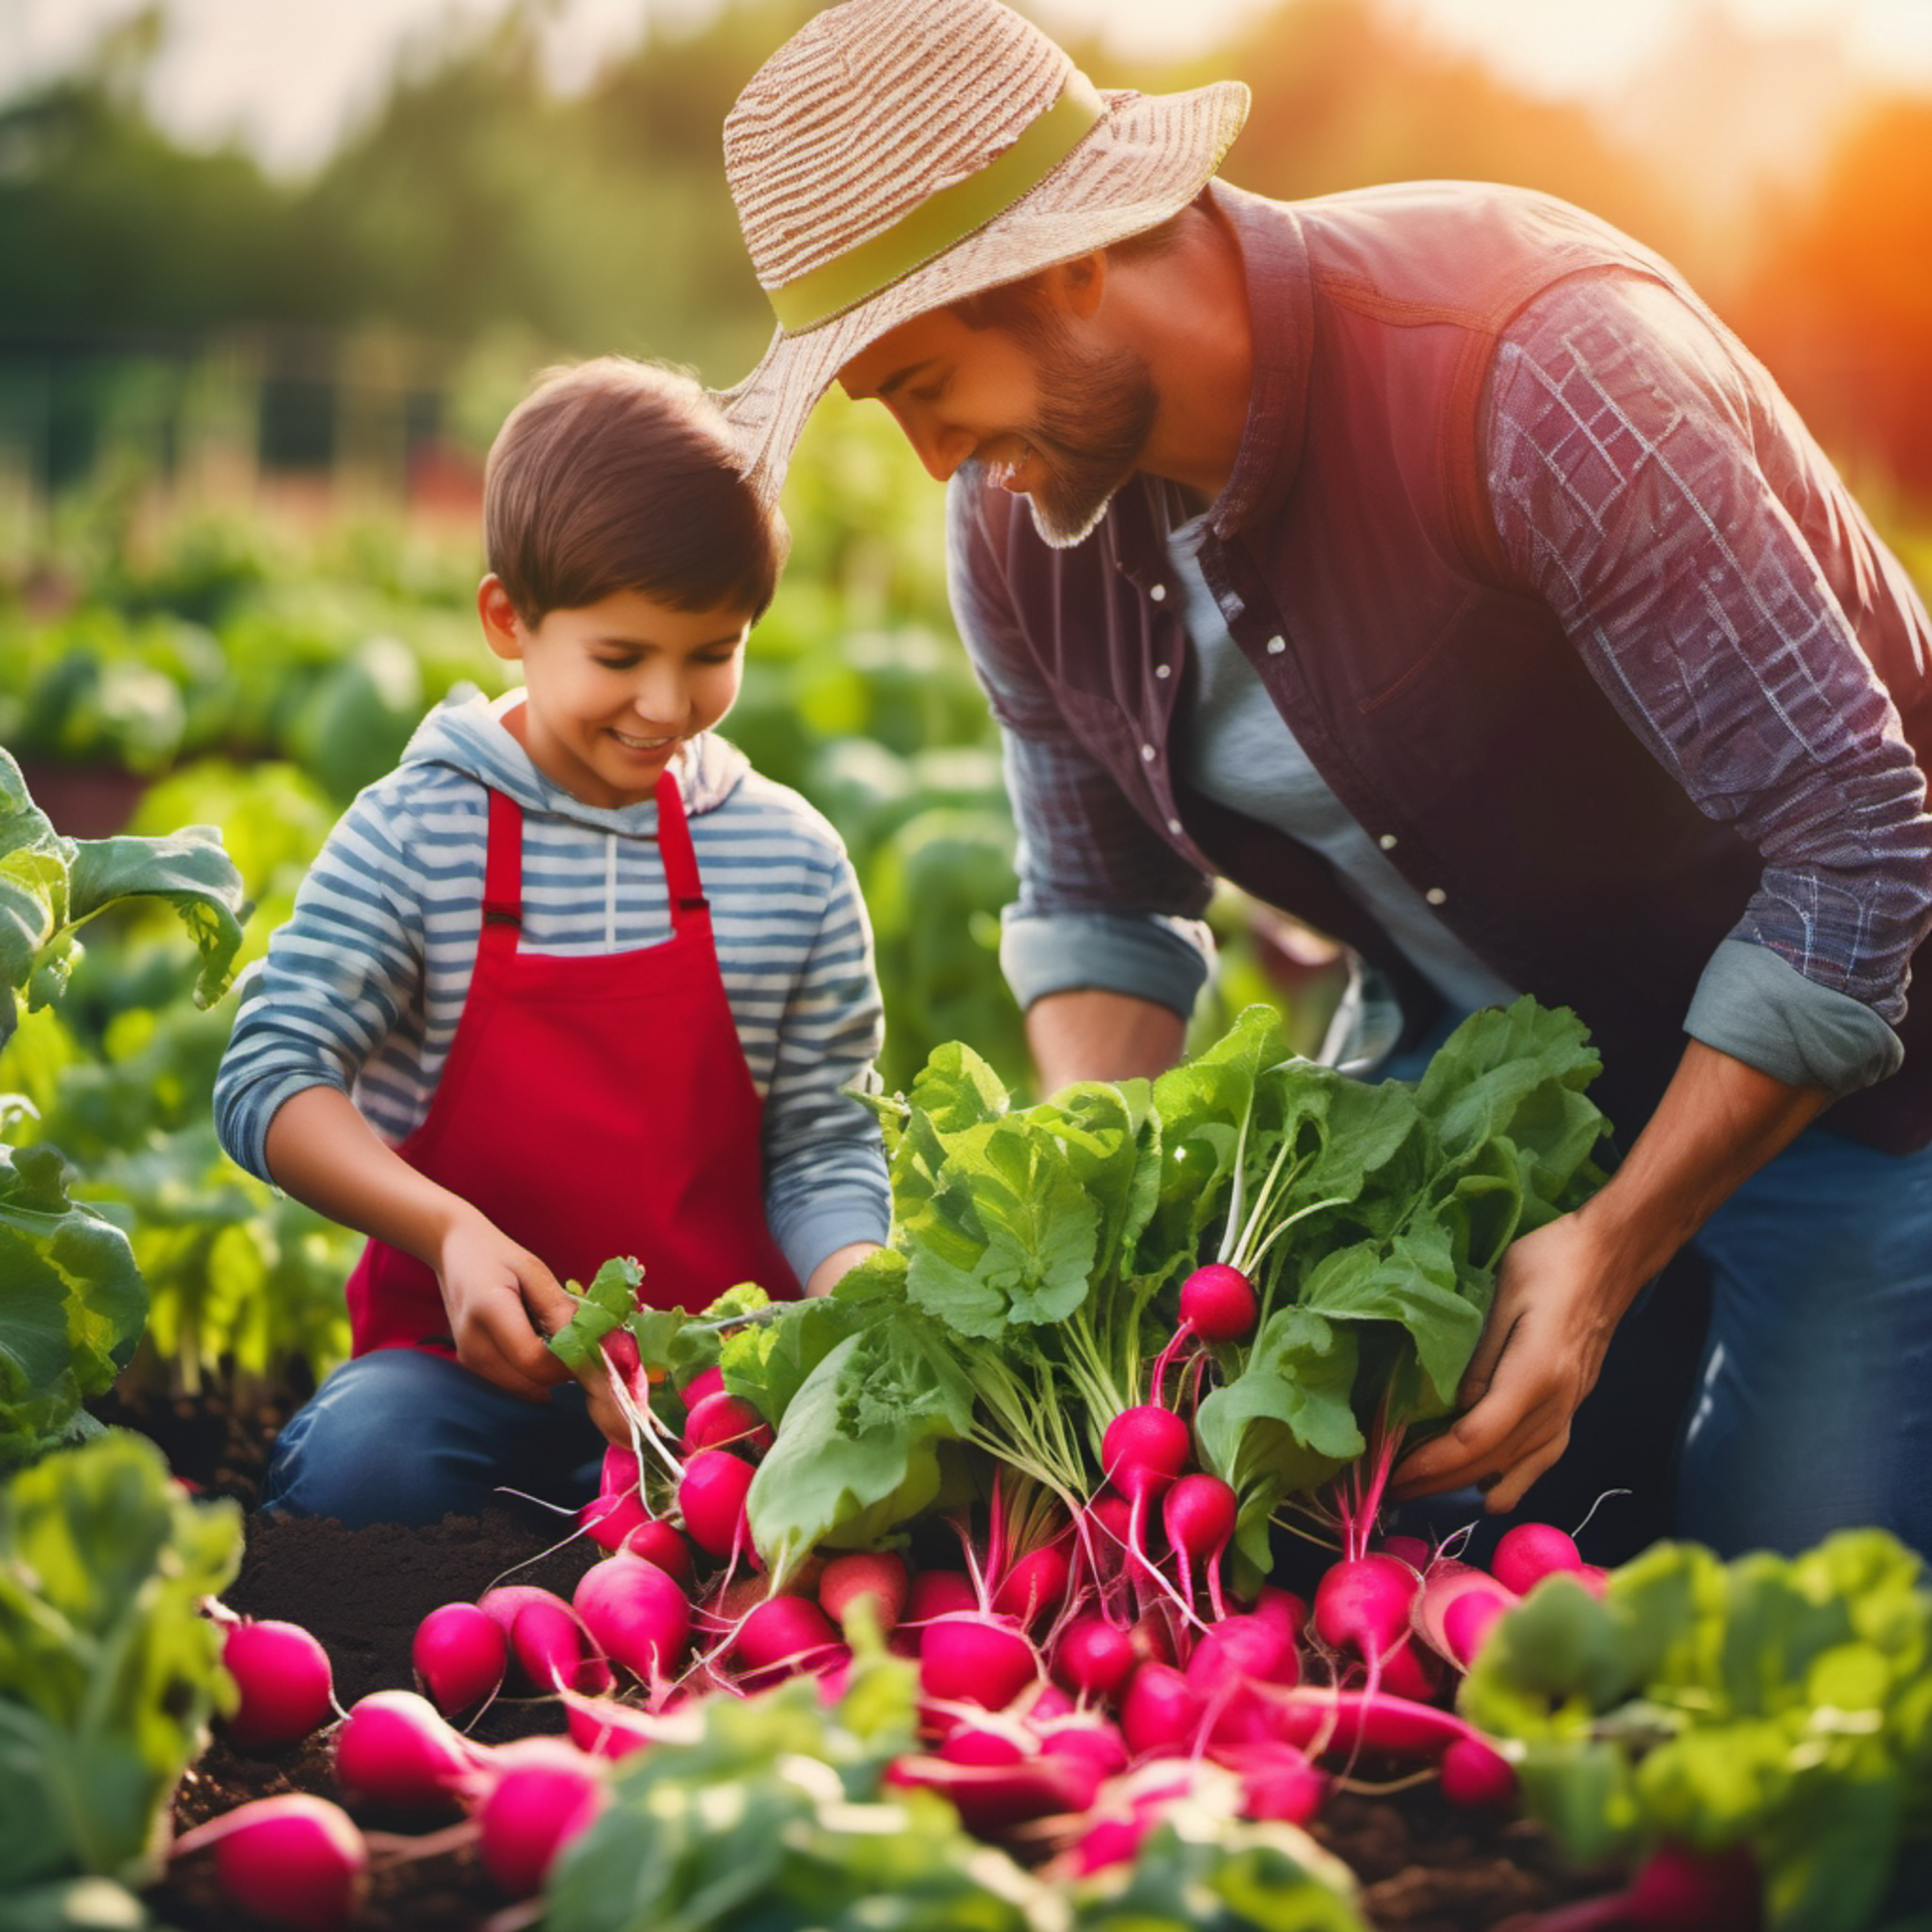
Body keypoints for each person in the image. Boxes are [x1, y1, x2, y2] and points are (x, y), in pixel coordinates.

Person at [715, 0, 1932, 1563]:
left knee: (1799, 1629)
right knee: (1322, 1555)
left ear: (1074, 262)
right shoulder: (1022, 534)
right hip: (1484, 1084)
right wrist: (1087, 1283)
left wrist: (1617, 1247)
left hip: (1856, 1092)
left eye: (919, 382)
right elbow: (1102, 907)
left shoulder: (1526, 368)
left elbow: (1858, 841)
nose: (934, 459)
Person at [214, 357, 890, 1527]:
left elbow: (821, 1141)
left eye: (712, 652)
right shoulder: (419, 830)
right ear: (506, 621)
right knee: (361, 1469)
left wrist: (853, 1309)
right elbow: (270, 1075)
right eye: (620, 658)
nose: (667, 707)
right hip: (467, 1379)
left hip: (720, 1390)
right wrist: (449, 1230)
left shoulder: (789, 859)